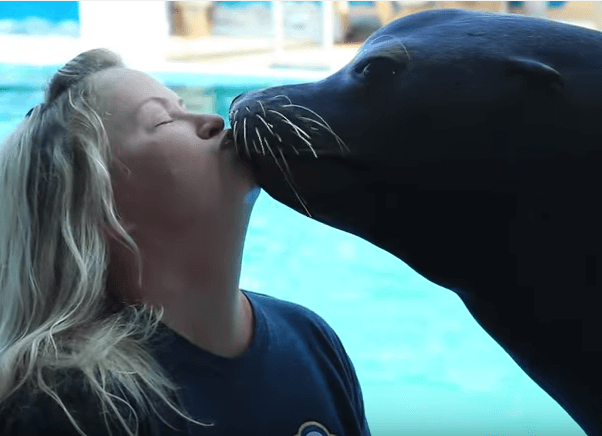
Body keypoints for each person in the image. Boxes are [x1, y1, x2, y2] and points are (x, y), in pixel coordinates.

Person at [0, 48, 370, 436]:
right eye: (161, 120)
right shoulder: (69, 406)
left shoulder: (310, 338)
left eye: (182, 106)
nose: (211, 119)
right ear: (103, 206)